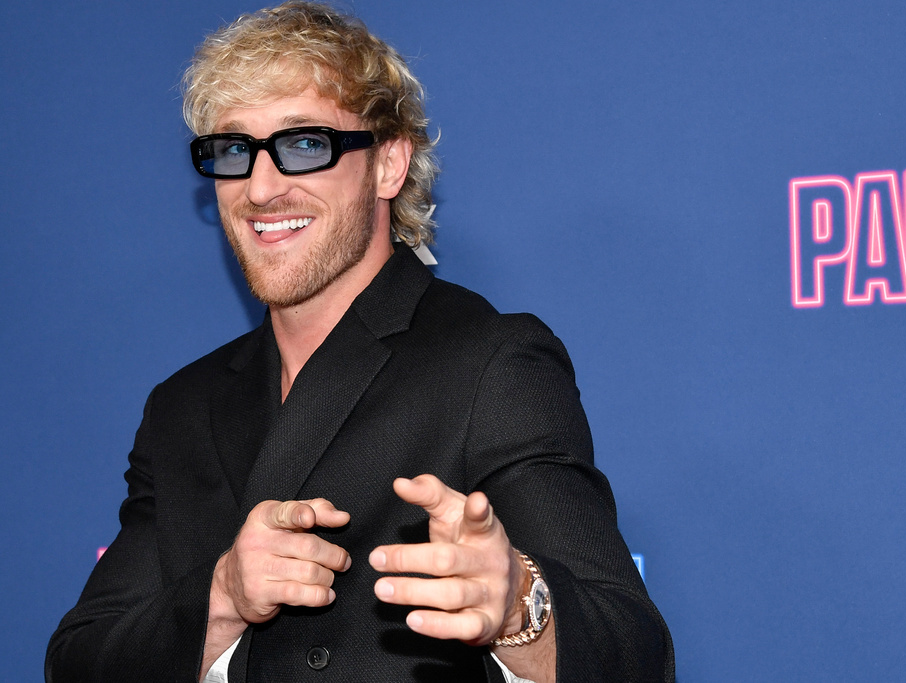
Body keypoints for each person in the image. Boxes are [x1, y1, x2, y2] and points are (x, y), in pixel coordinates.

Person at [45, 2, 674, 681]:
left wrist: (520, 602)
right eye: (234, 150)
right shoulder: (183, 406)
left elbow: (635, 653)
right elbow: (80, 659)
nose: (260, 187)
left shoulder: (490, 361)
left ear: (388, 163)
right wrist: (224, 594)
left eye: (304, 144)